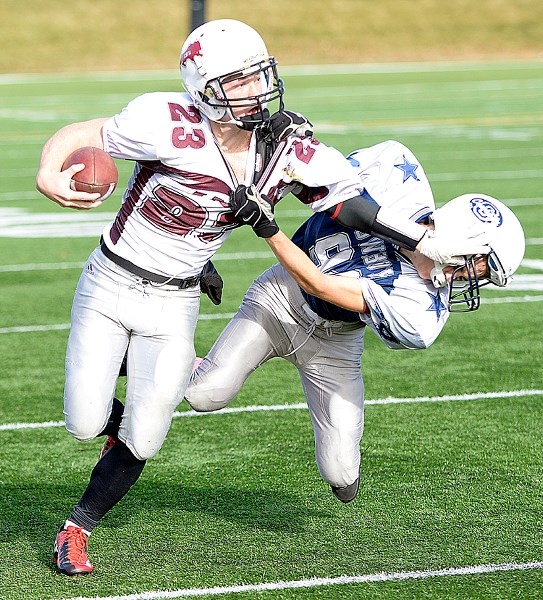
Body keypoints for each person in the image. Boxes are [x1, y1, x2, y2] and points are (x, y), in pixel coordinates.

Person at [36, 18, 491, 576]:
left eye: (259, 75)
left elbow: (350, 200)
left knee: (148, 433)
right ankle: (132, 401)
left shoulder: (284, 146)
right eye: (240, 81)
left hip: (174, 301)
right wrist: (46, 174)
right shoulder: (163, 119)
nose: (257, 90)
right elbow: (82, 132)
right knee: (84, 421)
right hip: (111, 280)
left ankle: (76, 528)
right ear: (204, 87)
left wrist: (422, 241)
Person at [184, 142, 525, 505]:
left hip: (333, 344)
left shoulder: (422, 311)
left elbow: (321, 284)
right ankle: (160, 354)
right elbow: (297, 177)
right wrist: (204, 246)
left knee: (341, 473)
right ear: (460, 239)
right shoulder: (396, 173)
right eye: (481, 265)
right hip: (281, 299)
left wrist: (268, 228)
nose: (473, 278)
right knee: (205, 394)